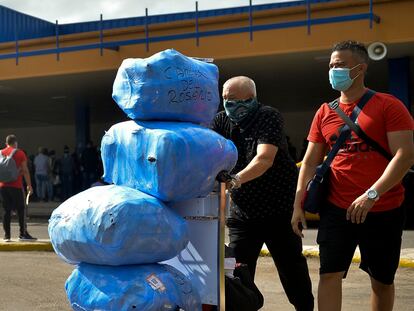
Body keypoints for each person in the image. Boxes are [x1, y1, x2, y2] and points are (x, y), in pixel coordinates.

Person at [291, 40, 414, 311]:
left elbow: (405, 155)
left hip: (383, 207)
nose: (334, 70)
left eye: (341, 65)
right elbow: (311, 162)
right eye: (332, 65)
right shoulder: (325, 111)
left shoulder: (388, 105)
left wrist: (372, 194)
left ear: (360, 69)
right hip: (336, 208)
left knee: (381, 280)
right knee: (329, 273)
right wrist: (298, 205)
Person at [211, 76, 314, 310]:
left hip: (279, 210)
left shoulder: (267, 116)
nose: (231, 106)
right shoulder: (220, 121)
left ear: (253, 99)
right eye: (227, 100)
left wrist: (235, 180)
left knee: (292, 271)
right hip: (243, 214)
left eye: (238, 100)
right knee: (236, 273)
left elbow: (265, 158)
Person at [0, 135, 37, 241]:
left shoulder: (0, 153)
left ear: (6, 143)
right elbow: (25, 170)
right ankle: (23, 234)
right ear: (15, 143)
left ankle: (7, 236)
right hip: (16, 186)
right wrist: (29, 185)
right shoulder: (19, 153)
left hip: (2, 186)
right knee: (21, 209)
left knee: (6, 210)